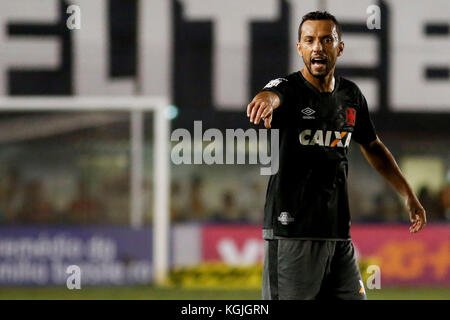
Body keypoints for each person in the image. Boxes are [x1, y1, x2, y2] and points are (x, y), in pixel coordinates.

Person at [246, 11, 426, 300]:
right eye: (310, 40)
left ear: (339, 47)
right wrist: (265, 99)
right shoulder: (290, 90)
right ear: (300, 48)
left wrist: (406, 193)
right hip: (293, 232)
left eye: (326, 39)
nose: (317, 46)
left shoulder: (351, 96)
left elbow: (373, 146)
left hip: (338, 234)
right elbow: (272, 94)